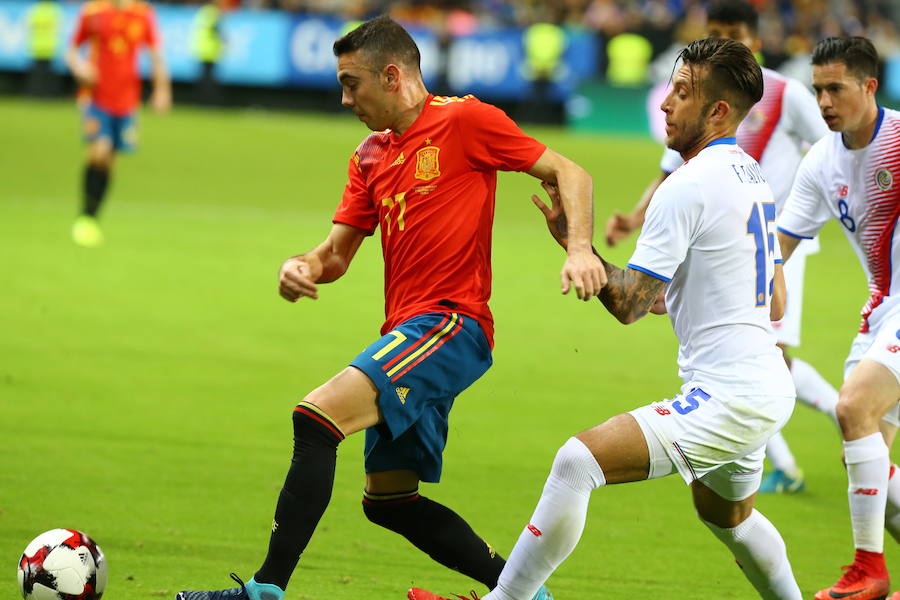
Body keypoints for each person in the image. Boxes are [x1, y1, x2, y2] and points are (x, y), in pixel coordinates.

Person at [175, 15, 604, 600]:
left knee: (316, 417)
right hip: (411, 331)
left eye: (352, 83)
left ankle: (264, 592)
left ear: (393, 75)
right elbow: (334, 253)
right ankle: (527, 593)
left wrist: (579, 248)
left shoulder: (465, 121)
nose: (344, 97)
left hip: (452, 323)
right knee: (390, 500)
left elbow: (568, 170)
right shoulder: (370, 156)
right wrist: (301, 266)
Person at [410, 36, 802, 600]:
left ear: (719, 111)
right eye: (670, 87)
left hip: (731, 394)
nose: (665, 102)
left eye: (683, 93)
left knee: (577, 462)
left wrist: (579, 243)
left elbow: (629, 304)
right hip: (760, 381)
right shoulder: (750, 175)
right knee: (729, 519)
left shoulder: (685, 187)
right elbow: (773, 302)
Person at [605, 0, 834, 495]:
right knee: (749, 351)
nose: (726, 42)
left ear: (754, 39)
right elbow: (673, 171)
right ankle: (781, 458)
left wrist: (797, 215)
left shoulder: (784, 93)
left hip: (766, 236)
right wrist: (634, 217)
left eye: (734, 34)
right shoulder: (704, 108)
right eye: (716, 33)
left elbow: (827, 152)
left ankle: (843, 413)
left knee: (767, 350)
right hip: (713, 227)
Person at [774, 36, 900, 600]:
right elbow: (780, 246)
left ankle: (868, 569)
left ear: (869, 86)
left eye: (835, 89)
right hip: (883, 310)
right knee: (872, 468)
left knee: (852, 409)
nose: (824, 102)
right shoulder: (821, 160)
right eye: (817, 89)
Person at [65, 0, 171, 248]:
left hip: (126, 101)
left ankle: (92, 218)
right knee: (99, 151)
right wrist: (79, 66)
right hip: (96, 97)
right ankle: (85, 216)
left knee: (110, 161)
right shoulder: (93, 11)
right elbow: (71, 50)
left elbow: (155, 53)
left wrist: (162, 90)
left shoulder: (143, 14)